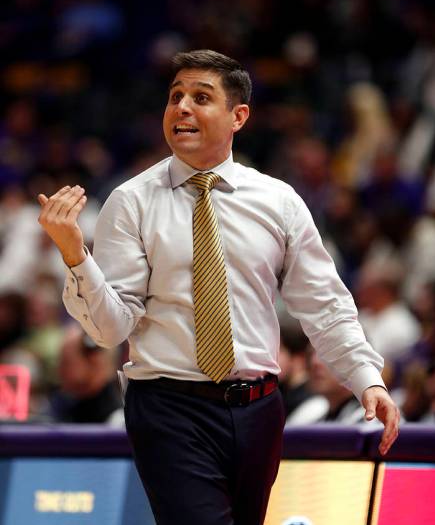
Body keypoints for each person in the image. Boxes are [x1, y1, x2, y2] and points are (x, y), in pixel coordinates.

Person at [37, 50, 400, 525]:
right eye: (175, 97)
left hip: (260, 409)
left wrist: (365, 377)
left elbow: (323, 303)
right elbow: (110, 329)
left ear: (238, 116)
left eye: (201, 97)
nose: (182, 107)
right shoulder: (129, 203)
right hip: (168, 407)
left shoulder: (278, 201)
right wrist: (74, 256)